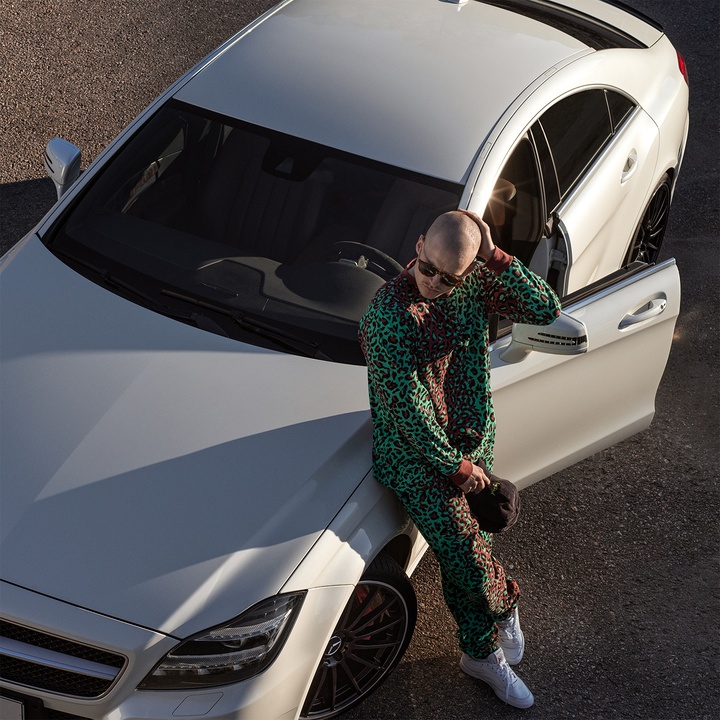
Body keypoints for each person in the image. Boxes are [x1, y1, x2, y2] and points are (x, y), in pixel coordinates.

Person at [358, 209, 561, 709]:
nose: (433, 283)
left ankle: (479, 654)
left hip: (472, 444)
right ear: (419, 245)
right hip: (414, 456)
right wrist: (455, 467)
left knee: (463, 555)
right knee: (469, 556)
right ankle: (506, 605)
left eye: (449, 277)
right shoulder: (388, 314)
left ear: (467, 271)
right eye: (428, 269)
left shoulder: (474, 284)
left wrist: (496, 257)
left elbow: (545, 308)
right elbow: (407, 407)